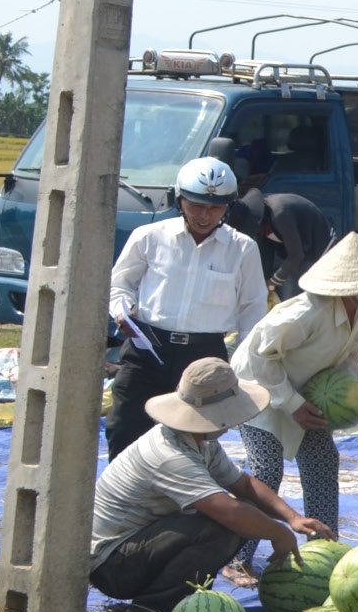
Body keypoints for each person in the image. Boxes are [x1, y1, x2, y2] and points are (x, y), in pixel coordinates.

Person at [87, 358, 335, 612]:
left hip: (137, 549)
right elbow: (227, 512)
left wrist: (292, 518)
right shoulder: (169, 455)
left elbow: (244, 485)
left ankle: (177, 600)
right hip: (113, 565)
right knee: (222, 527)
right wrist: (277, 532)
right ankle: (150, 609)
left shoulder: (199, 441)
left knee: (245, 513)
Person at [228, 234, 358, 571]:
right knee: (266, 473)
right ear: (352, 286)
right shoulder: (306, 313)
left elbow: (351, 355)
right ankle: (236, 559)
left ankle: (324, 553)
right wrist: (293, 403)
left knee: (323, 462)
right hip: (259, 391)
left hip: (309, 393)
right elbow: (259, 358)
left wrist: (348, 392)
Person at [105, 157, 269, 459]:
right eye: (196, 206)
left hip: (204, 356)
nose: (205, 216)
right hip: (146, 350)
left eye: (215, 208)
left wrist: (240, 364)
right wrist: (122, 309)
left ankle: (185, 506)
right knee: (125, 428)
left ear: (227, 208)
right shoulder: (149, 237)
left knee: (197, 441)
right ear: (179, 200)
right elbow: (120, 284)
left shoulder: (242, 248)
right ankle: (127, 503)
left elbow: (253, 309)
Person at [224, 188, 335, 295]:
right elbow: (266, 254)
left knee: (292, 294)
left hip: (320, 249)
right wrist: (263, 283)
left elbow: (296, 256)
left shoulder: (279, 215)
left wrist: (271, 284)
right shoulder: (263, 223)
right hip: (298, 251)